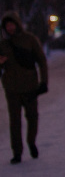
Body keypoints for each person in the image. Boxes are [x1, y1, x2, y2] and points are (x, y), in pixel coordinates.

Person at [0, 12, 48, 164]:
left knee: (32, 117)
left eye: (12, 24)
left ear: (17, 24)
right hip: (11, 88)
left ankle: (31, 141)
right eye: (7, 26)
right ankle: (17, 152)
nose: (10, 28)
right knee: (15, 121)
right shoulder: (2, 44)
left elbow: (41, 60)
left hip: (30, 86)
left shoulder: (29, 40)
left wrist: (44, 82)